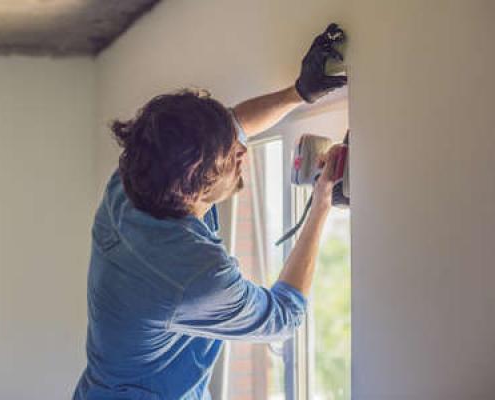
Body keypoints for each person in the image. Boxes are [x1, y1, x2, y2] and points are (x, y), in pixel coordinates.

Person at [73, 23, 348, 400]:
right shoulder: (195, 274)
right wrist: (320, 205)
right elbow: (284, 316)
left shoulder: (131, 180)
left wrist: (299, 93)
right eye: (231, 156)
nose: (243, 152)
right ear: (192, 186)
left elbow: (231, 126)